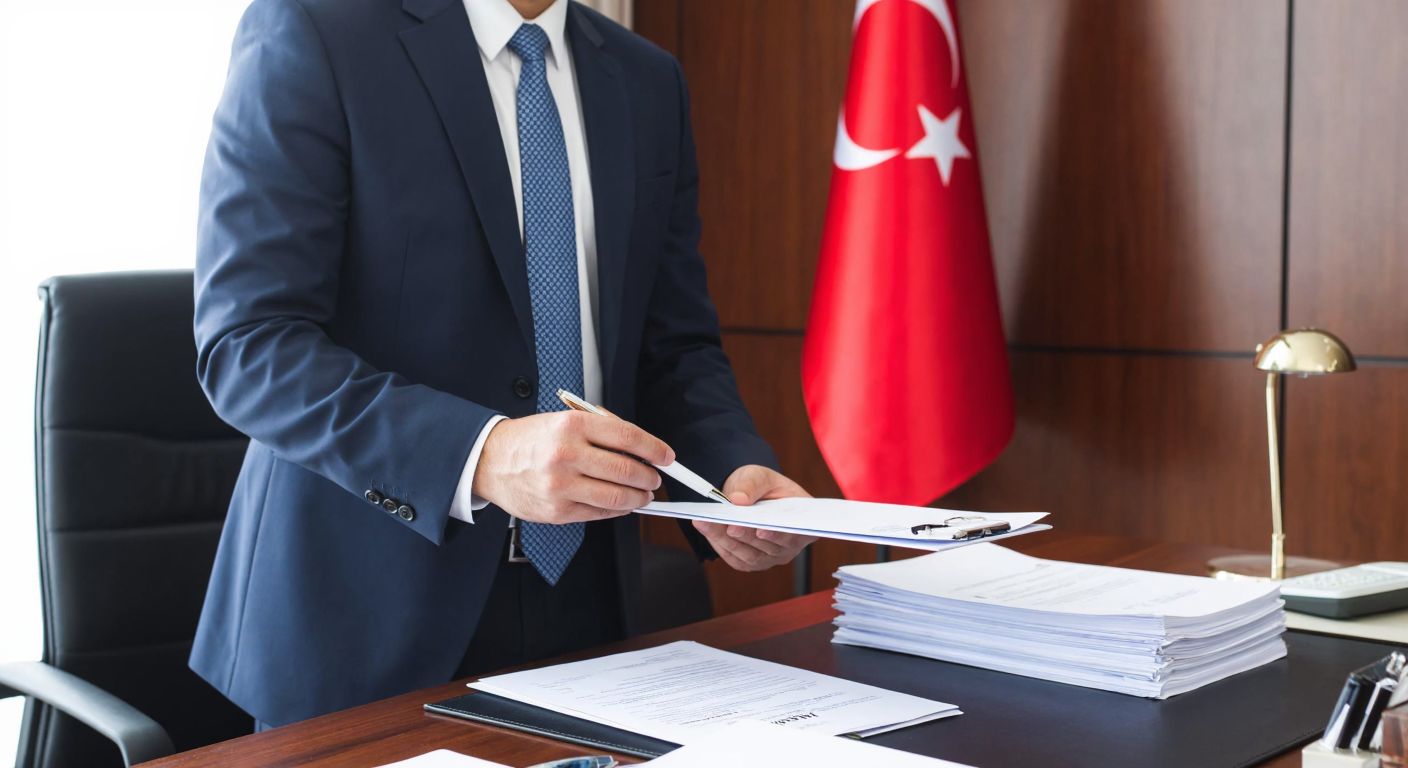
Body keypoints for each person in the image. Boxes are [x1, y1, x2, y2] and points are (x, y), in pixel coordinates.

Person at [190, 0, 814, 729]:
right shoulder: (315, 31)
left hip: (593, 609)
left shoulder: (645, 79)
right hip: (364, 621)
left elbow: (669, 342)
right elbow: (248, 344)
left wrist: (727, 469)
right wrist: (481, 453)